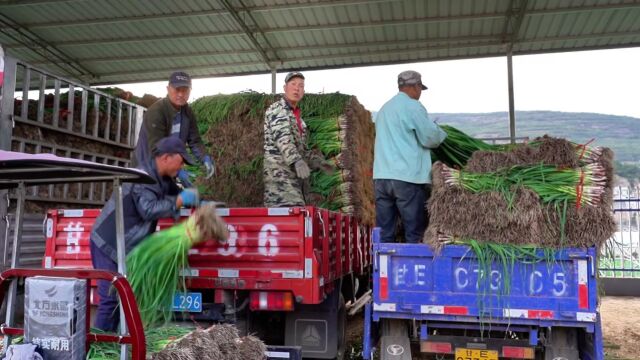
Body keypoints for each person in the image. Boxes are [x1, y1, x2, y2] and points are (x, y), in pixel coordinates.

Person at [90, 136, 200, 332]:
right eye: (181, 161)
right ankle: (99, 347)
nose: (182, 167)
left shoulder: (163, 178)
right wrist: (179, 201)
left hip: (126, 246)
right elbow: (148, 209)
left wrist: (198, 200)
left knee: (124, 298)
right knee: (110, 298)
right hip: (108, 243)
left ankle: (118, 343)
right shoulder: (144, 177)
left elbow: (176, 195)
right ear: (166, 158)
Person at [373, 70, 447, 243]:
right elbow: (430, 138)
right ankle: (414, 269)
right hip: (407, 179)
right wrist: (442, 134)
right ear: (416, 86)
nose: (420, 93)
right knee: (415, 233)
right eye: (420, 88)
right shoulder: (413, 106)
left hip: (382, 178)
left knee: (385, 234)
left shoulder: (384, 109)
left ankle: (384, 269)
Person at [132, 71, 214, 187]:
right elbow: (156, 148)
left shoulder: (187, 113)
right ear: (168, 89)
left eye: (185, 90)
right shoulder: (157, 112)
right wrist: (177, 170)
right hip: (145, 170)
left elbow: (194, 141)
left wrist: (204, 157)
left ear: (190, 91)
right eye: (177, 89)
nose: (180, 94)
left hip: (166, 173)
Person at [263, 71, 330, 207]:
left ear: (303, 91)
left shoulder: (300, 121)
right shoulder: (277, 109)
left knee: (301, 214)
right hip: (280, 180)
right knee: (295, 213)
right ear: (284, 88)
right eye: (293, 84)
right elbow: (283, 140)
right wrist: (297, 161)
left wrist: (318, 162)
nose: (296, 88)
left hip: (295, 181)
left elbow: (302, 150)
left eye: (300, 86)